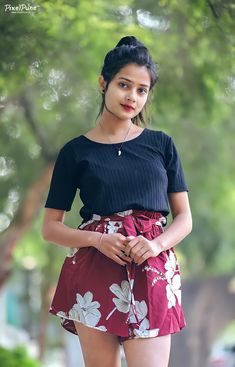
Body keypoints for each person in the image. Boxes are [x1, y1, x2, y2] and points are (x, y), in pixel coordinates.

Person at [42, 35, 192, 367]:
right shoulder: (75, 152)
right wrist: (98, 239)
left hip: (152, 266)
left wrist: (155, 246)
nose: (133, 97)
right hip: (95, 267)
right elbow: (50, 228)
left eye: (142, 90)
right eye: (124, 84)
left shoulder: (161, 145)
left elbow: (184, 218)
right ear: (103, 82)